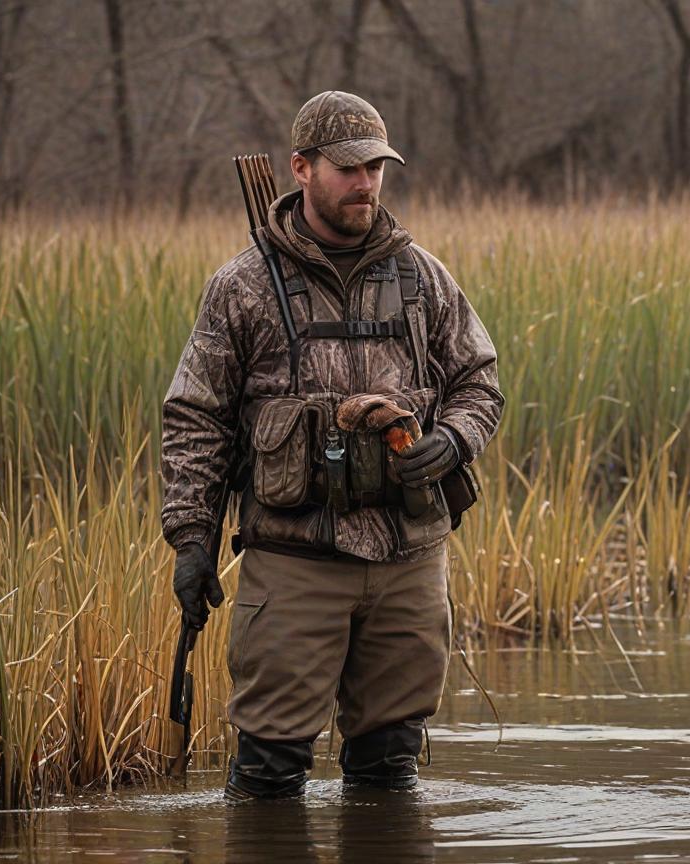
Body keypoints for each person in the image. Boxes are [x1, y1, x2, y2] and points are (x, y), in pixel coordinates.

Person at [159, 90, 503, 799]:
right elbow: (196, 417)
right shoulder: (242, 286)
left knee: (389, 771)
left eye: (376, 166)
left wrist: (455, 440)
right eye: (348, 168)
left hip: (408, 553)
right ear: (301, 169)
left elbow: (481, 383)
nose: (365, 182)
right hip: (295, 558)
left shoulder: (422, 277)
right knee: (268, 776)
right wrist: (192, 538)